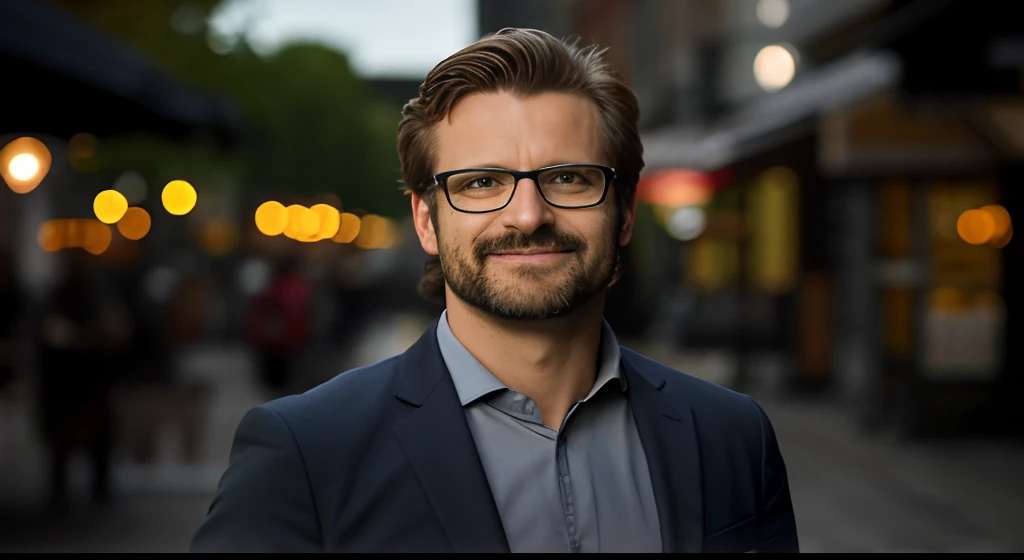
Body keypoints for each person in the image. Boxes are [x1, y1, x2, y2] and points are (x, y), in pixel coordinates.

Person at [191, 28, 798, 553]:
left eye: (567, 177)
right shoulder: (302, 455)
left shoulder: (733, 438)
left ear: (625, 213)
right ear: (427, 221)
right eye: (482, 182)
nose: (528, 215)